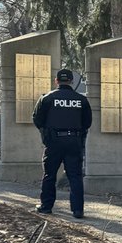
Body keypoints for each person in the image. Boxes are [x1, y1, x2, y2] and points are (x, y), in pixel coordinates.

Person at [32, 68, 92, 219]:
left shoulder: (47, 98)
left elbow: (37, 119)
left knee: (49, 175)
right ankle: (78, 210)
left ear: (56, 81)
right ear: (71, 81)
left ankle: (46, 207)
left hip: (54, 141)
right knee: (75, 176)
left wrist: (46, 134)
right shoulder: (81, 100)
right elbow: (87, 122)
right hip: (74, 141)